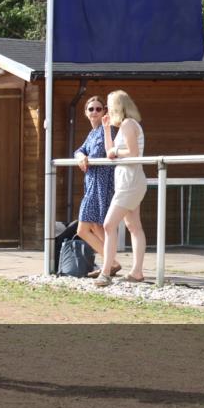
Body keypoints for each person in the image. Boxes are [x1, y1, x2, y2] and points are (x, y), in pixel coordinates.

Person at [95, 91, 148, 287]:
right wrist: (107, 129)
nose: (107, 110)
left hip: (130, 181)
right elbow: (111, 152)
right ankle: (137, 272)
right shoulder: (124, 126)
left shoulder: (128, 124)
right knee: (134, 226)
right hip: (128, 180)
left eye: (109, 106)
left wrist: (116, 151)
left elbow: (132, 152)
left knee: (109, 225)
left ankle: (106, 271)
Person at [74, 95, 120, 278]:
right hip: (92, 182)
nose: (94, 112)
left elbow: (101, 153)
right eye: (91, 109)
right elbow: (80, 150)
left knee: (84, 228)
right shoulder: (92, 133)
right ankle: (111, 262)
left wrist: (86, 157)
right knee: (95, 225)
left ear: (104, 112)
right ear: (86, 113)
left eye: (98, 109)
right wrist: (80, 157)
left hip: (102, 183)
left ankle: (112, 262)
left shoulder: (105, 131)